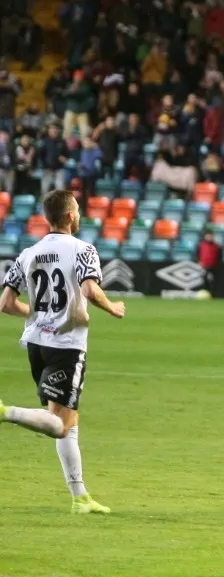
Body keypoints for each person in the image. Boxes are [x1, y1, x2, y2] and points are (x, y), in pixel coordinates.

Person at [0, 190, 126, 514]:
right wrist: (112, 307)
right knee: (61, 425)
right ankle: (5, 412)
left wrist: (34, 313)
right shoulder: (83, 250)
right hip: (65, 345)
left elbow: (5, 303)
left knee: (68, 421)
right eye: (78, 211)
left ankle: (80, 497)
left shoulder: (29, 253)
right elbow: (89, 288)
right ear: (70, 216)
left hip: (36, 344)